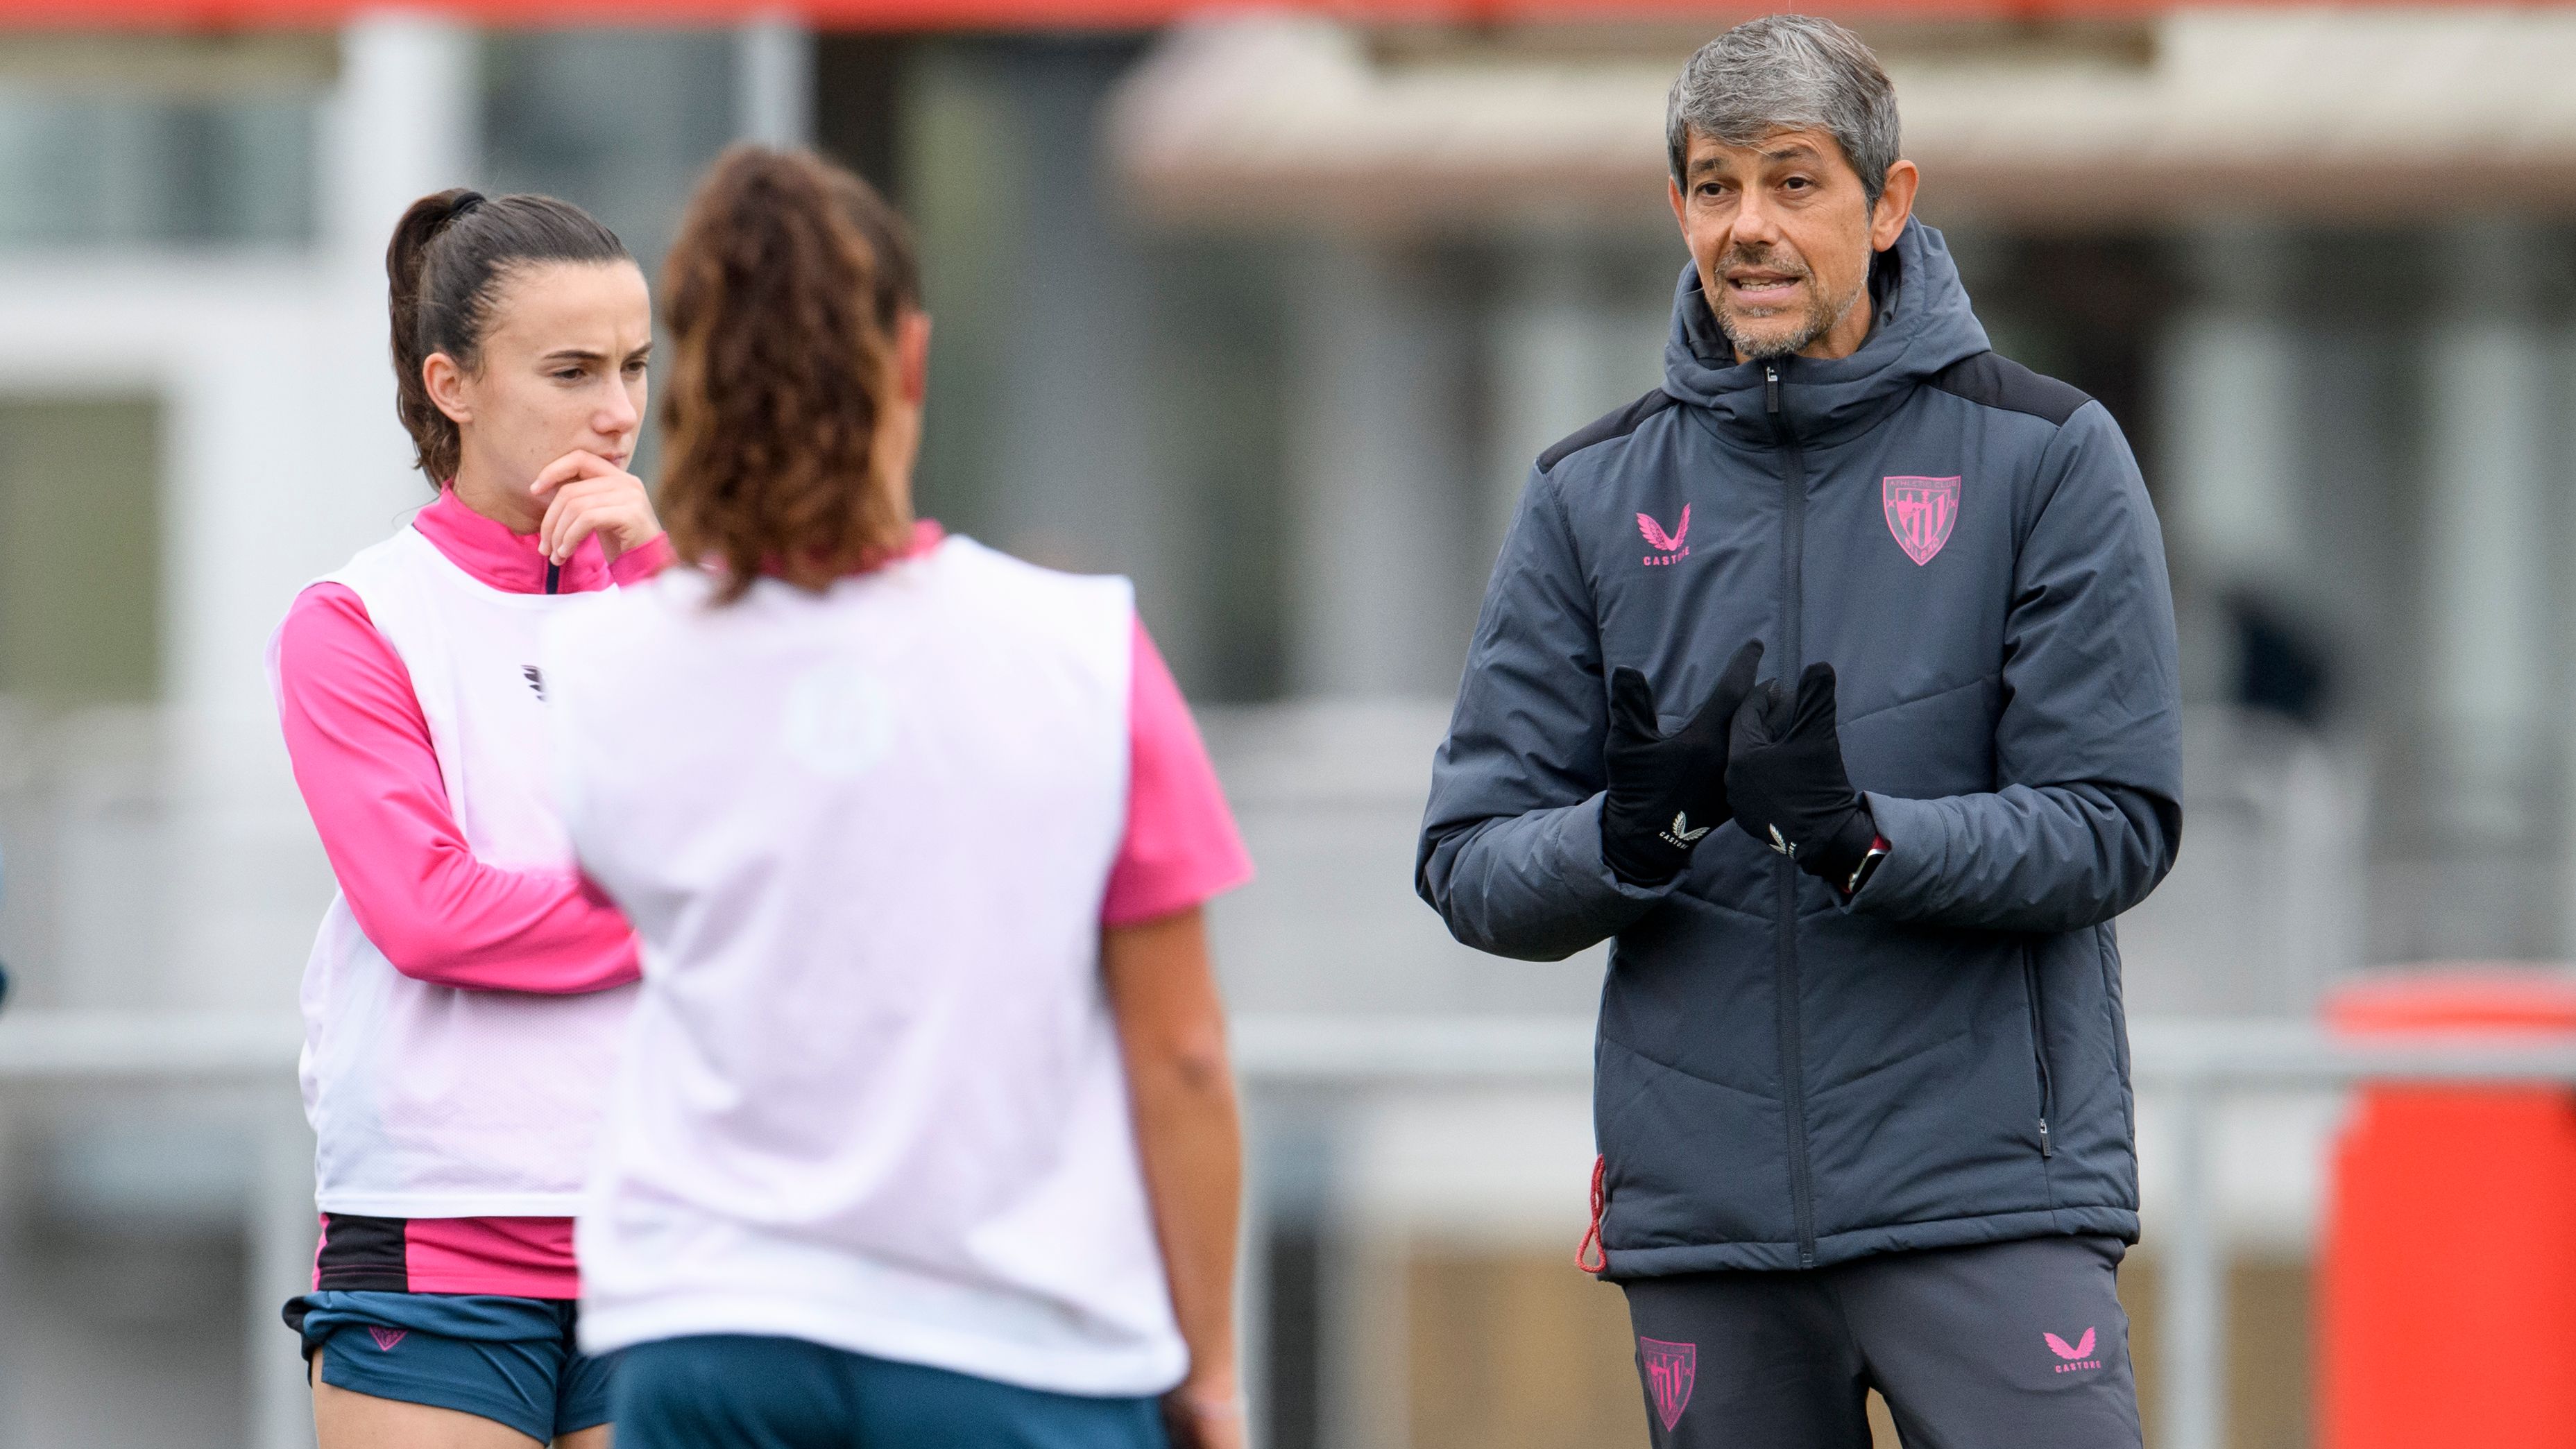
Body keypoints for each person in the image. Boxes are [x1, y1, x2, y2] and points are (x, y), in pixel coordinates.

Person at [1416, 16, 2181, 1448]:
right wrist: (1620, 836)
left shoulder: (2048, 455)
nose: (1750, 227)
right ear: (1678, 211)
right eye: (1716, 187)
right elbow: (1467, 861)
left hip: (1989, 1200)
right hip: (1707, 1228)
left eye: (1794, 181)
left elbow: (2117, 819)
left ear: (1889, 205)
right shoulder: (1585, 492)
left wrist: (1866, 841)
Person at [542, 147, 1254, 1449]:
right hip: (1018, 1344)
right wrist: (1205, 1377)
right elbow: (1185, 1055)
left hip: (705, 1335)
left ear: (694, 376)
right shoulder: (1081, 649)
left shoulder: (604, 669)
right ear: (908, 359)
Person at [268, 188, 672, 1449]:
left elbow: (800, 853)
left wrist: (667, 585)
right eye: (570, 371)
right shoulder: (355, 621)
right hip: (439, 1227)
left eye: (635, 368)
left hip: (675, 1216)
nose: (617, 412)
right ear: (452, 384)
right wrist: (687, 907)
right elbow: (430, 913)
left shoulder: (691, 606)